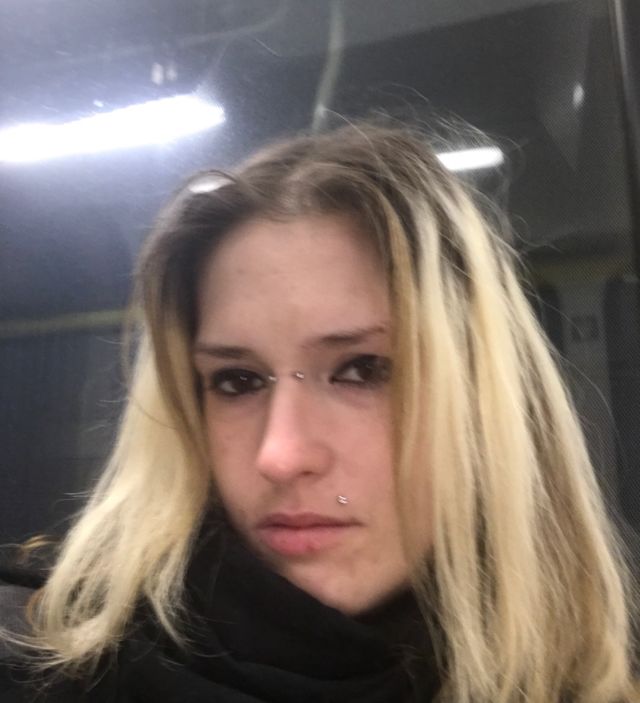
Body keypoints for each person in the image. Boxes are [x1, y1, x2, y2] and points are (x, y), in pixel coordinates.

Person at [1, 122, 638, 702]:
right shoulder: (45, 663)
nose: (280, 455)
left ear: (481, 404)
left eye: (364, 369)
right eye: (237, 380)